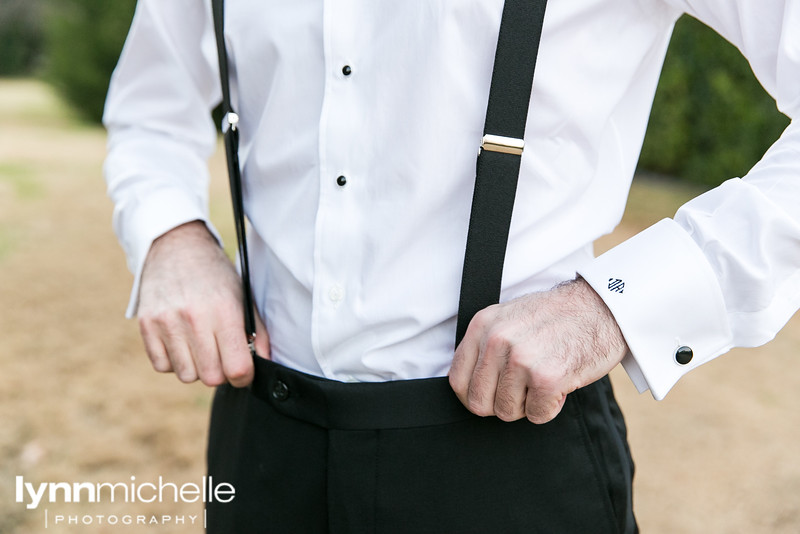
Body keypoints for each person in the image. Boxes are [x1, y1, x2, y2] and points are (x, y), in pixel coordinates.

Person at [103, 1, 799, 532]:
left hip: (513, 460)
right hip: (261, 442)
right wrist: (172, 235)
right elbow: (151, 110)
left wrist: (615, 308)